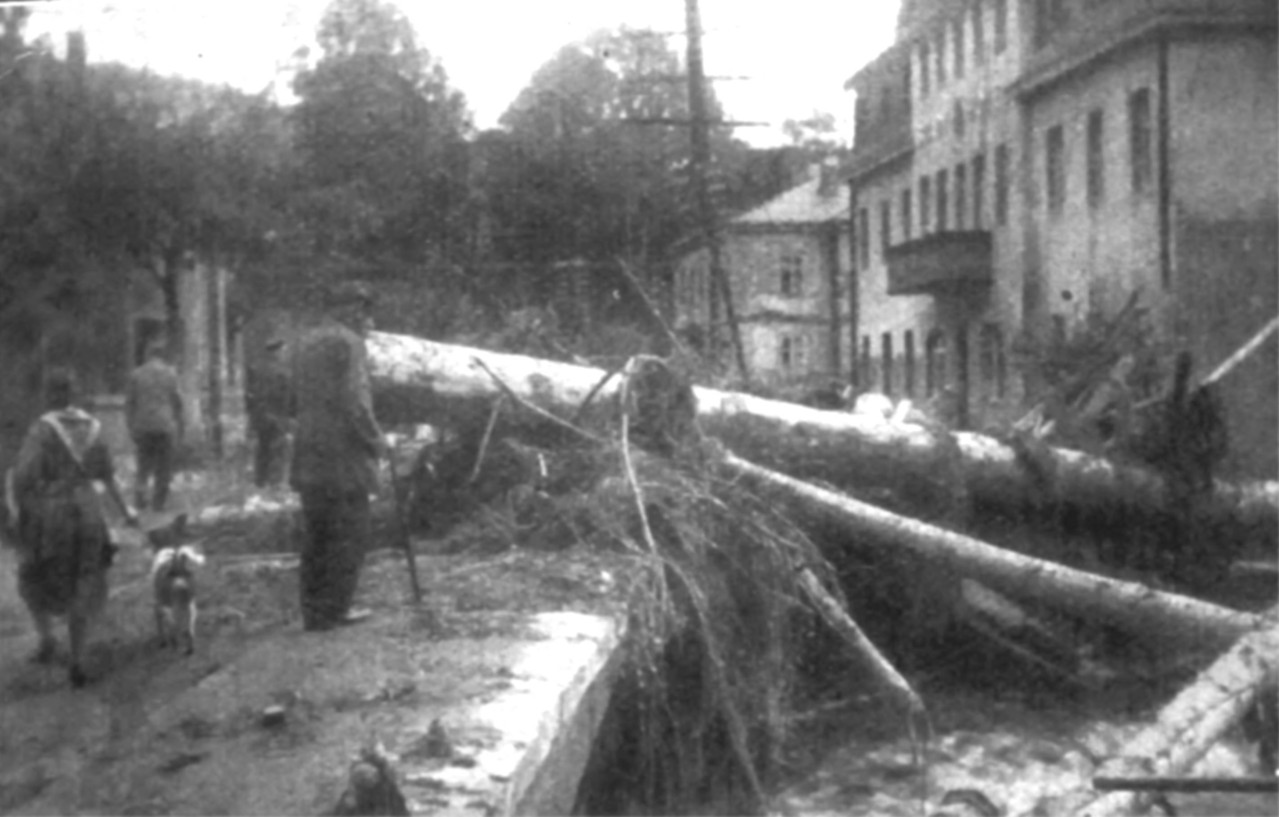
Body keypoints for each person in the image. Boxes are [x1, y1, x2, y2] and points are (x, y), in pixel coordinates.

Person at [11, 368, 137, 687]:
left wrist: (22, 514)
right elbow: (108, 477)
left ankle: (47, 639)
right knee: (85, 580)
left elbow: (25, 477)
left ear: (49, 394)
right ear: (75, 393)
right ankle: (78, 659)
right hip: (89, 511)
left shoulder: (42, 430)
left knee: (32, 573)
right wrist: (126, 513)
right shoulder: (94, 428)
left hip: (52, 515)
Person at [288, 281, 386, 631]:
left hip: (308, 451)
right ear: (351, 309)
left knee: (317, 534)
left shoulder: (304, 341)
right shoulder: (349, 343)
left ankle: (314, 611)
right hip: (342, 456)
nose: (365, 317)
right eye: (362, 309)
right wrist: (377, 441)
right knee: (350, 532)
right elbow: (355, 402)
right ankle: (336, 608)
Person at [125, 340, 184, 511]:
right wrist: (180, 425)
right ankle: (158, 503)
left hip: (143, 426)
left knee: (143, 466)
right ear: (162, 355)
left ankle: (140, 498)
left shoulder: (136, 374)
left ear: (147, 354)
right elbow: (178, 403)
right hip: (164, 426)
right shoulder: (171, 374)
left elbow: (129, 403)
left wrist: (131, 426)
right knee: (163, 468)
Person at [245, 337, 293, 488]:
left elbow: (249, 395)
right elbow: (287, 396)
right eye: (283, 350)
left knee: (262, 448)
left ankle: (260, 481)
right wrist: (290, 415)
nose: (285, 354)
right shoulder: (283, 372)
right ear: (276, 352)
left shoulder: (255, 368)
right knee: (278, 449)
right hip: (277, 415)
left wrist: (252, 413)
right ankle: (275, 483)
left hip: (260, 415)